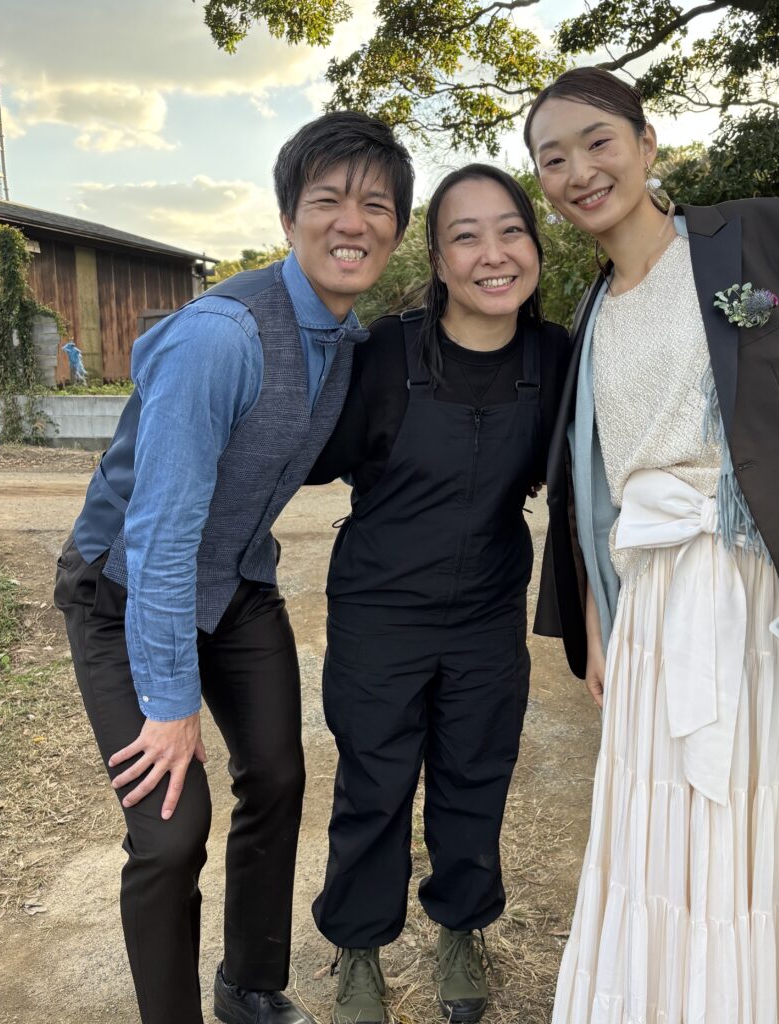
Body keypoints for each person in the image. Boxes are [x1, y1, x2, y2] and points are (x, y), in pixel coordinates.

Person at [525, 68, 779, 1023]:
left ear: (647, 143)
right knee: (658, 824)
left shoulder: (766, 234)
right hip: (652, 601)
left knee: (770, 814)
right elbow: (595, 484)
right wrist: (597, 615)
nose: (580, 171)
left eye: (598, 142)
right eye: (553, 158)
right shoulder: (588, 315)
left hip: (772, 590)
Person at [53, 111, 414, 1024]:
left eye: (376, 205)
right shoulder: (223, 337)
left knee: (279, 777)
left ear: (397, 230)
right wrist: (170, 702)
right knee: (171, 832)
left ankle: (249, 986)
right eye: (328, 200)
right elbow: (159, 536)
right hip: (123, 586)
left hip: (238, 582)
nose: (352, 222)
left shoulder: (348, 341)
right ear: (289, 217)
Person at [304, 164, 570, 1024]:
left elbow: (584, 481)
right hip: (380, 610)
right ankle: (358, 946)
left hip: (488, 610)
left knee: (475, 777)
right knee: (374, 786)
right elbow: (313, 455)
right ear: (438, 258)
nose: (493, 254)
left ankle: (461, 927)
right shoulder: (386, 352)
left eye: (511, 231)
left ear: (535, 246)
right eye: (466, 236)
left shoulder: (555, 357)